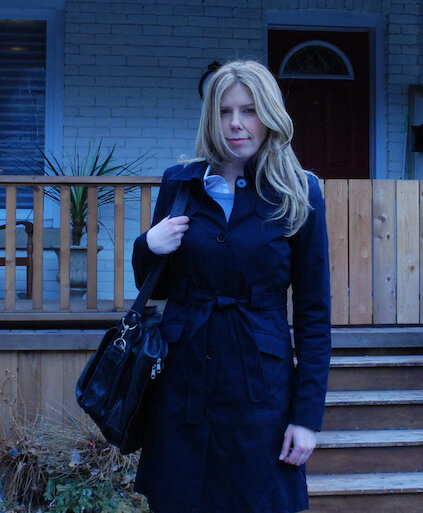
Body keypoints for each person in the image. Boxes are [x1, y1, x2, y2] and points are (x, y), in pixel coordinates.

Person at [131, 59, 331, 513]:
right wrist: (148, 245)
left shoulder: (298, 192)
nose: (236, 123)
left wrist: (307, 418)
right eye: (224, 111)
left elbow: (314, 313)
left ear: (270, 116)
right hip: (182, 383)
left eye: (248, 110)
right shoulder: (180, 183)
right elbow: (155, 287)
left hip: (260, 389)